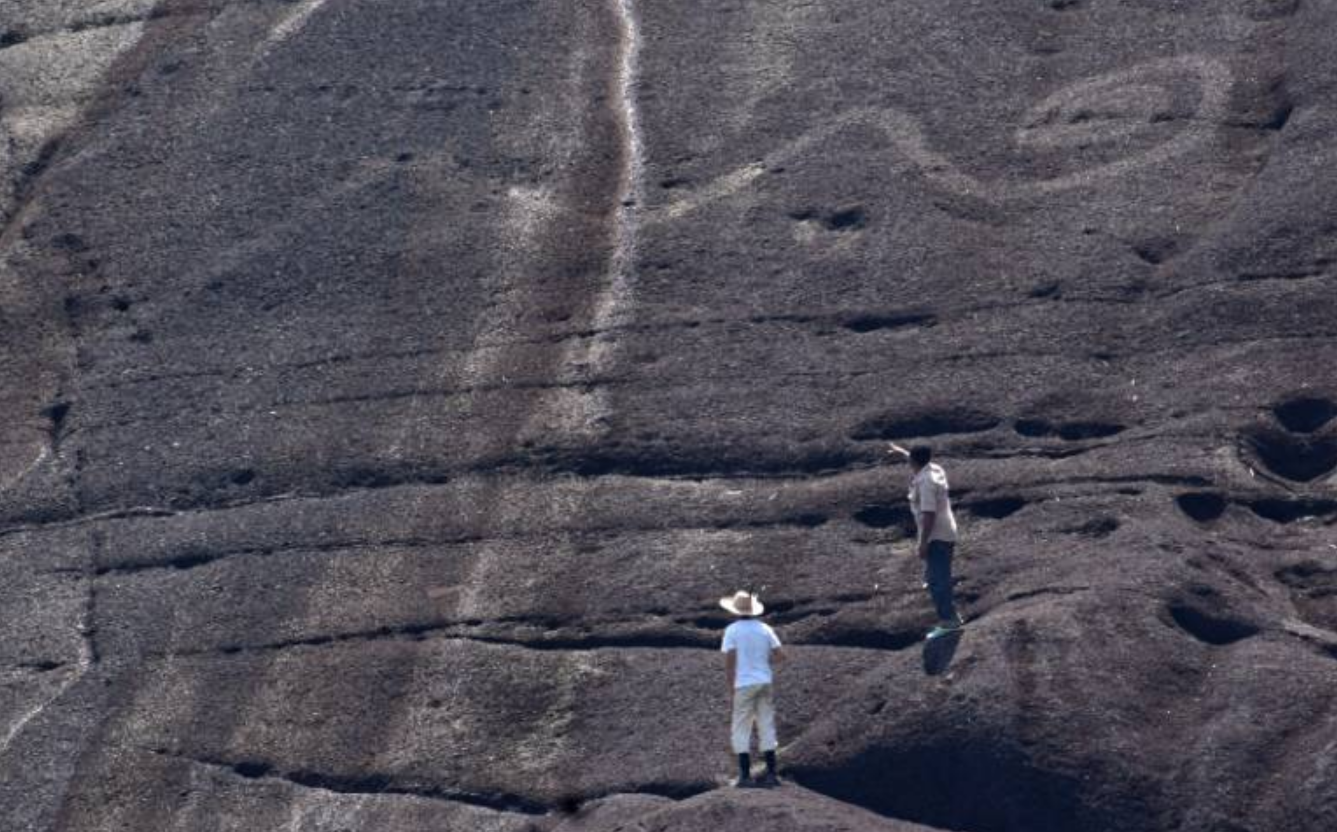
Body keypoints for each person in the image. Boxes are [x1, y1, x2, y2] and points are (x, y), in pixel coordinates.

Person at [888, 442, 964, 639]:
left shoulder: (925, 482)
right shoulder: (934, 468)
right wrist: (901, 452)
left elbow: (928, 514)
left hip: (936, 536)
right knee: (937, 576)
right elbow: (918, 460)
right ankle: (950, 616)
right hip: (945, 532)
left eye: (909, 458)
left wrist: (922, 543)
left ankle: (950, 622)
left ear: (914, 461)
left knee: (937, 581)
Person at [719, 590, 784, 787]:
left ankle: (745, 776)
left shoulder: (732, 630)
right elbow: (781, 655)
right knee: (766, 723)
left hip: (744, 683)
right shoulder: (765, 629)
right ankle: (772, 773)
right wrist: (763, 662)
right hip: (764, 681)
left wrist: (731, 687)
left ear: (736, 611)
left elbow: (730, 662)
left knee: (741, 727)